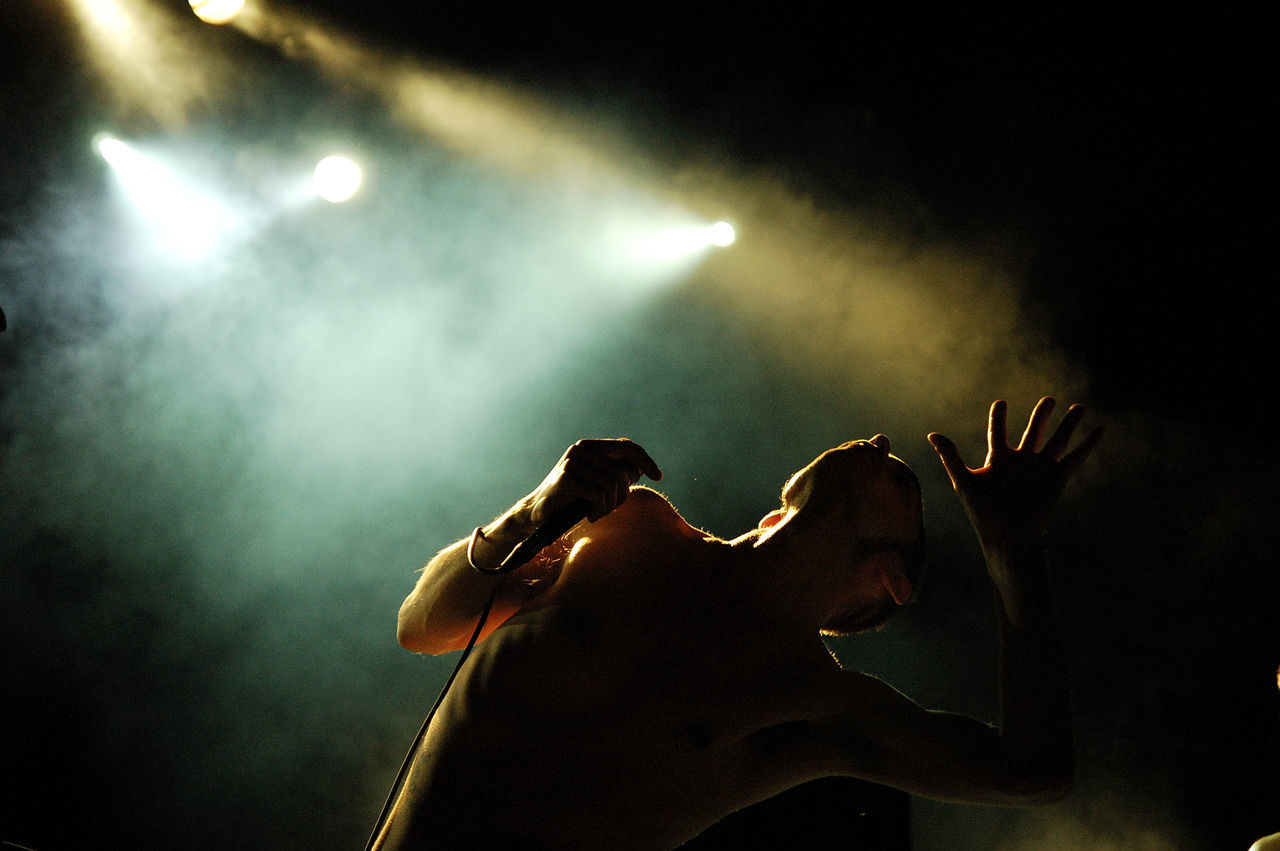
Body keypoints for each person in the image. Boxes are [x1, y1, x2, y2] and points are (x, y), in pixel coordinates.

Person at [373, 397, 1101, 850]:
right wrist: (531, 513)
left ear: (893, 579)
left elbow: (1034, 774)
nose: (880, 443)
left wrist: (1013, 549)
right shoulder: (632, 528)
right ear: (773, 511)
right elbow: (423, 624)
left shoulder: (810, 703)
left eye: (901, 479)